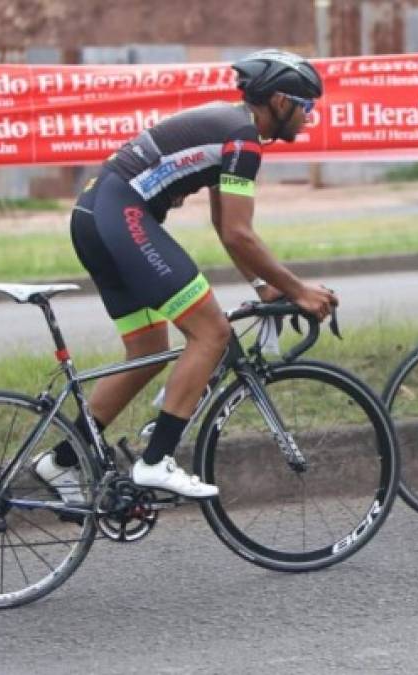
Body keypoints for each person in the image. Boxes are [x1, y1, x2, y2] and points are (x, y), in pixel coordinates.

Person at [33, 50, 337, 501]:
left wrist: (261, 284)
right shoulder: (243, 140)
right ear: (278, 101)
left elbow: (224, 225)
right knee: (210, 333)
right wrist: (299, 291)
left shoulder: (232, 128)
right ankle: (156, 461)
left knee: (149, 348)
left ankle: (61, 461)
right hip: (123, 215)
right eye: (305, 106)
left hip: (93, 216)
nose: (309, 118)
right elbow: (238, 233)